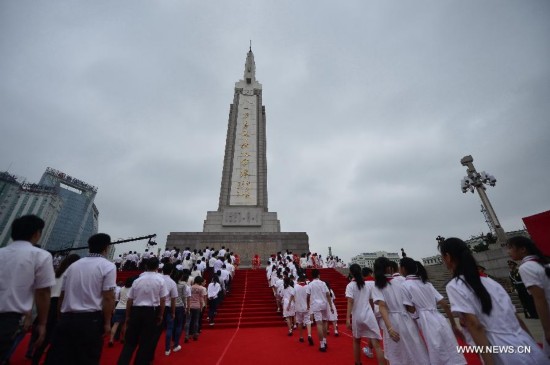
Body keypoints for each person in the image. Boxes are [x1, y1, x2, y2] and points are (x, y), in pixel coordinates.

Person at [441, 237, 548, 365]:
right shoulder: (491, 282)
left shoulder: (455, 285)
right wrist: (531, 345)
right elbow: (516, 319)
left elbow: (475, 326)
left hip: (501, 350)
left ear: (447, 257)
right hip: (527, 345)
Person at [45, 233, 116, 365]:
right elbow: (108, 297)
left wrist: (60, 316)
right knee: (86, 358)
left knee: (59, 358)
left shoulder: (73, 266)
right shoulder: (108, 266)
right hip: (89, 320)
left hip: (66, 319)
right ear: (106, 248)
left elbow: (62, 295)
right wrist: (107, 322)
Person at [0, 215, 55, 365]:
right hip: (8, 319)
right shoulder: (41, 256)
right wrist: (42, 323)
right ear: (37, 233)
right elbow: (43, 292)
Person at [399, 257, 466, 365]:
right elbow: (445, 304)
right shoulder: (427, 284)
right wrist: (453, 324)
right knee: (450, 346)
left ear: (403, 269)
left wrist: (415, 316)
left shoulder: (405, 285)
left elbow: (410, 308)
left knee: (436, 349)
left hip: (426, 319)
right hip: (439, 317)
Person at [372, 257, 429, 365]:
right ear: (390, 268)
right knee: (415, 348)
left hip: (392, 320)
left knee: (396, 353)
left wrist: (389, 328)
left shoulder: (378, 285)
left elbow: (382, 306)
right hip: (407, 318)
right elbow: (410, 306)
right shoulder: (402, 282)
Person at [31, 254, 80, 364]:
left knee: (43, 336)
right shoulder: (71, 274)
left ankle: (35, 359)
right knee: (56, 338)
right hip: (60, 304)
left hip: (48, 303)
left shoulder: (56, 273)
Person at [117, 257, 167, 365]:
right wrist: (160, 315)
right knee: (146, 344)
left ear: (145, 266)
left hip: (136, 311)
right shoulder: (160, 280)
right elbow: (163, 300)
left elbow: (130, 300)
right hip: (151, 312)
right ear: (157, 267)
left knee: (129, 343)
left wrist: (128, 316)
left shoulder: (137, 280)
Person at [507, 236, 550, 357]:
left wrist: (547, 329)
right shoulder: (544, 264)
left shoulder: (526, 267)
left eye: (510, 248)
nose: (508, 252)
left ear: (523, 249)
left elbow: (540, 299)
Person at [346, 264, 384, 365]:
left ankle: (358, 362)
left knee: (356, 341)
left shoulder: (350, 285)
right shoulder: (366, 285)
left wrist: (347, 319)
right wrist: (371, 311)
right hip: (368, 314)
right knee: (377, 344)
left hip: (357, 316)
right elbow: (371, 300)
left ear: (350, 272)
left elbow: (350, 301)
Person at [306, 269, 334, 352]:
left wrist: (308, 305)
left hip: (316, 304)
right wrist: (331, 305)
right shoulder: (323, 283)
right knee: (325, 322)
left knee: (319, 324)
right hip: (324, 304)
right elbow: (328, 295)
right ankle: (325, 341)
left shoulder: (310, 284)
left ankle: (322, 344)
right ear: (318, 275)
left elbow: (307, 296)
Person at [157, 263, 178, 356]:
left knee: (154, 329)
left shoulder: (157, 279)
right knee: (169, 327)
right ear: (172, 271)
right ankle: (167, 349)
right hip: (167, 307)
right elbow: (173, 299)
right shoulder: (172, 282)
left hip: (156, 306)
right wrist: (173, 312)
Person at [109, 276, 135, 347]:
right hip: (126, 308)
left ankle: (111, 339)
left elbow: (119, 298)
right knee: (125, 324)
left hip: (119, 307)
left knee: (115, 324)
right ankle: (123, 338)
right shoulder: (132, 289)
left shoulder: (121, 289)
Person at [188, 276, 207, 341]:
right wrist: (202, 306)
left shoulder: (190, 288)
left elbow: (188, 297)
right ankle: (195, 334)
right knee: (196, 320)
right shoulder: (201, 288)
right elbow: (201, 299)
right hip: (197, 305)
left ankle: (188, 334)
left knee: (189, 320)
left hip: (190, 305)